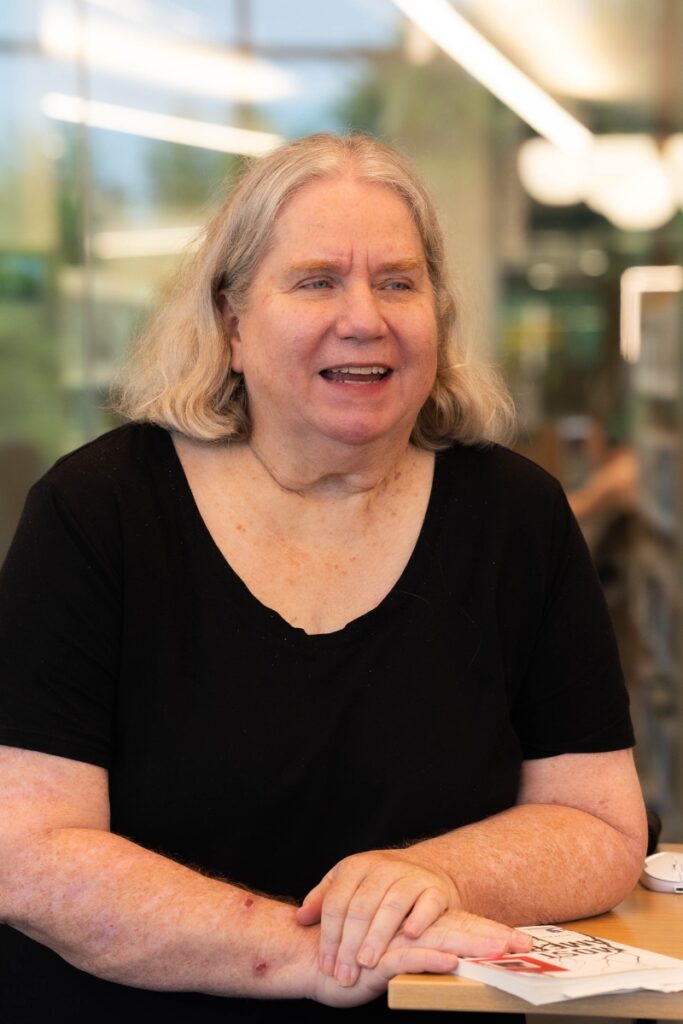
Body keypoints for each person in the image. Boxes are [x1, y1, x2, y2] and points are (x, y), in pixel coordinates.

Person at [0, 133, 646, 1022]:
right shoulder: (97, 511)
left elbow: (601, 827)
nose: (365, 318)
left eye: (397, 281)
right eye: (315, 281)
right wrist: (307, 957)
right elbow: (26, 852)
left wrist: (426, 876)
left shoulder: (515, 517)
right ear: (230, 323)